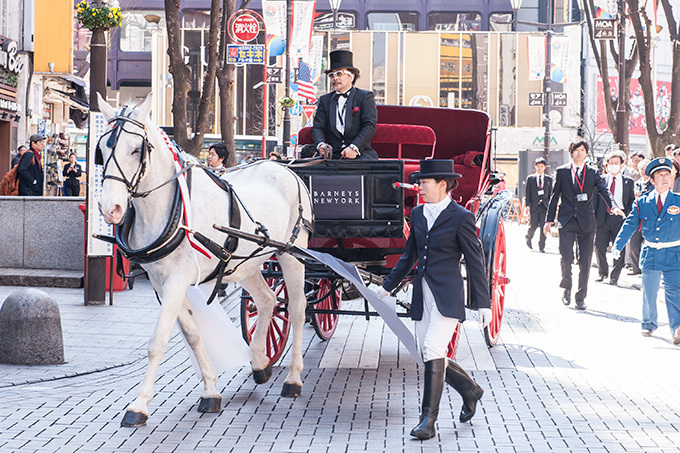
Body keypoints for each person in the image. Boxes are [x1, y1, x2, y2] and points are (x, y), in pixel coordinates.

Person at [375, 159, 492, 440]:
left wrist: (483, 303)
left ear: (442, 185)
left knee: (431, 347)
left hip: (448, 295)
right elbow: (409, 257)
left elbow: (476, 262)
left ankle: (428, 421)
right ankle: (470, 390)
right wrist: (387, 287)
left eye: (424, 183)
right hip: (422, 294)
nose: (420, 187)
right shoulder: (417, 213)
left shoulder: (461, 216)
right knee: (430, 354)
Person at [543, 138, 623, 309]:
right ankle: (566, 287)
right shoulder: (562, 171)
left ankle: (581, 297)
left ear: (586, 153)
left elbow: (604, 190)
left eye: (582, 150)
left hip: (587, 221)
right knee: (566, 257)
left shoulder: (593, 172)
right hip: (566, 220)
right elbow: (554, 196)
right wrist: (549, 221)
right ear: (571, 152)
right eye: (576, 150)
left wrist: (613, 206)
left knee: (585, 260)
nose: (579, 153)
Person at [612, 157, 680, 344]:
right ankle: (649, 323)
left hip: (674, 253)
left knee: (674, 291)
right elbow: (629, 225)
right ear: (652, 180)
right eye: (660, 175)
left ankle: (677, 329)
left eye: (668, 174)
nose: (665, 178)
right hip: (651, 252)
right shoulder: (642, 202)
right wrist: (618, 246)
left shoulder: (678, 201)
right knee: (649, 291)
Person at [312, 49, 379, 160]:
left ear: (351, 77)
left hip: (359, 153)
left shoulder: (365, 96)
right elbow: (318, 127)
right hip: (332, 154)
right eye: (332, 75)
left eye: (339, 73)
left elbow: (369, 125)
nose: (335, 78)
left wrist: (354, 148)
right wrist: (321, 145)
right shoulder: (325, 100)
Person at [593, 151, 634, 285]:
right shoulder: (601, 179)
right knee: (599, 245)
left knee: (619, 246)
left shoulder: (628, 182)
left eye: (616, 163)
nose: (613, 165)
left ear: (622, 165)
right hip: (603, 217)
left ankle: (615, 275)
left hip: (620, 218)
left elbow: (630, 201)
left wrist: (626, 215)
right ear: (607, 164)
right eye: (611, 163)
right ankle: (602, 272)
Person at [627, 158, 652, 276]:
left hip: (649, 218)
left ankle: (647, 268)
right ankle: (636, 267)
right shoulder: (636, 183)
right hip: (637, 218)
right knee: (633, 244)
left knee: (648, 244)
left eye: (645, 169)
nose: (643, 171)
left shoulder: (653, 184)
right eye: (641, 169)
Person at [524, 157, 553, 252]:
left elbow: (550, 193)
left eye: (542, 166)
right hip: (534, 206)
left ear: (545, 167)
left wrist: (551, 206)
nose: (540, 168)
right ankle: (528, 238)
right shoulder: (531, 178)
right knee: (533, 225)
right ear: (535, 167)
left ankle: (542, 245)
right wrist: (527, 205)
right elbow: (527, 193)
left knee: (543, 227)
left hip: (544, 206)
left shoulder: (549, 179)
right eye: (538, 166)